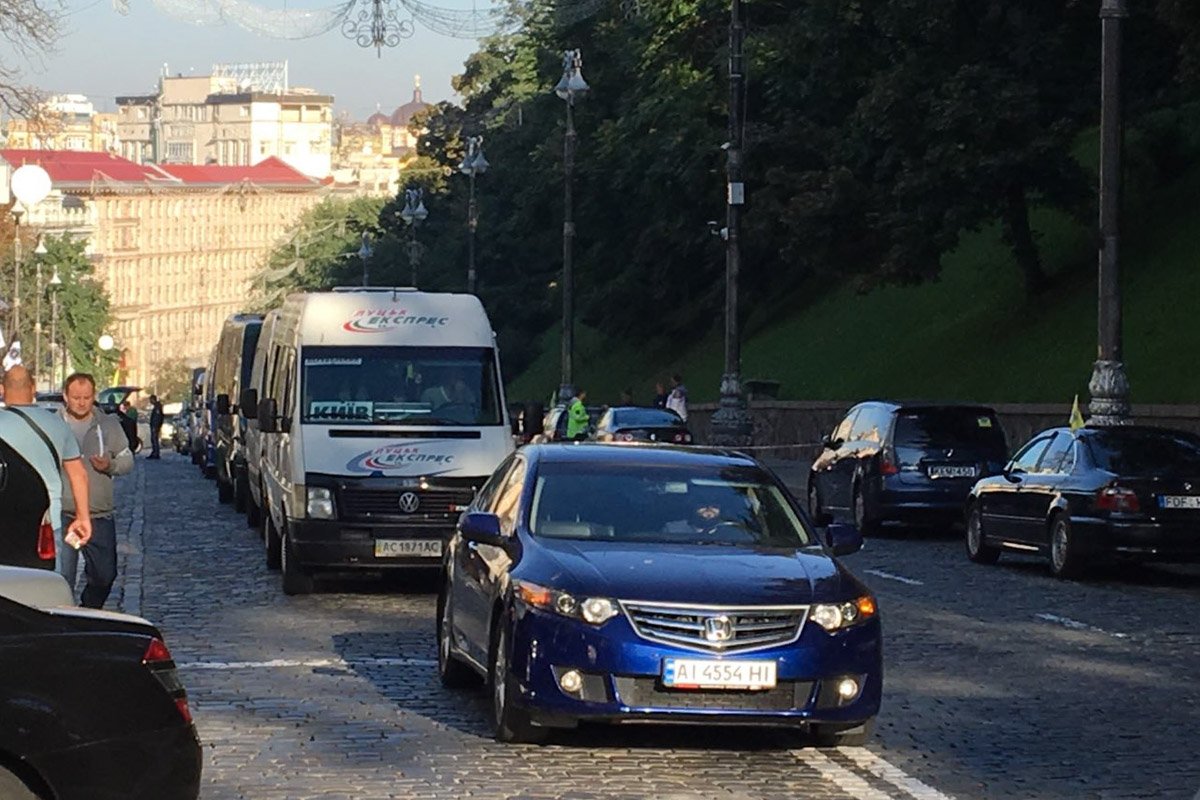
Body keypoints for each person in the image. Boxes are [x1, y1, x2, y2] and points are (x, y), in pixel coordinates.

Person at [0, 367, 92, 565]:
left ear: (1, 389)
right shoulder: (58, 425)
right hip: (48, 521)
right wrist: (83, 517)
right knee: (48, 582)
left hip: (5, 518)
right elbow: (78, 475)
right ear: (33, 388)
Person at [60, 373, 134, 608]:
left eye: (87, 397)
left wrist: (110, 465)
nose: (81, 402)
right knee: (62, 578)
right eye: (76, 397)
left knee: (105, 574)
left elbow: (127, 459)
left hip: (99, 514)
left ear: (94, 396)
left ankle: (89, 608)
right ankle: (65, 624)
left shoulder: (109, 424)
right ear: (65, 396)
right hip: (63, 514)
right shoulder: (54, 424)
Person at [147, 394, 164, 459]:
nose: (150, 401)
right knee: (154, 439)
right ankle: (154, 452)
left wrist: (155, 426)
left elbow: (157, 417)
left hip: (155, 426)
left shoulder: (157, 407)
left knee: (154, 439)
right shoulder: (157, 406)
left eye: (150, 400)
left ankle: (156, 453)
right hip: (155, 425)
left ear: (153, 399)